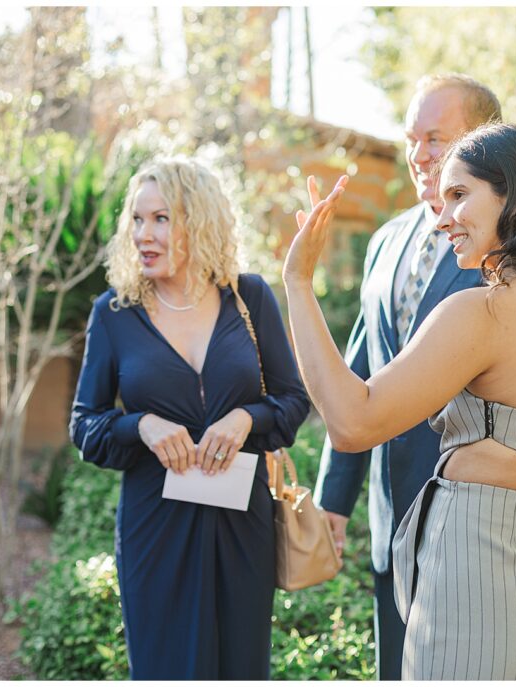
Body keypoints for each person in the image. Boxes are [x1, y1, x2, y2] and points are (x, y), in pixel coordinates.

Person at [283, 123, 516, 679]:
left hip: (477, 595)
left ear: (514, 194)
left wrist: (298, 282)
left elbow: (352, 422)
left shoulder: (481, 313)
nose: (442, 219)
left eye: (460, 195)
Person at [69, 157, 310, 680]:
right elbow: (84, 425)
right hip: (155, 532)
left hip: (242, 526)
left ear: (198, 222)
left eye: (161, 219)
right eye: (136, 219)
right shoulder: (114, 314)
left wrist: (247, 418)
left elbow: (294, 402)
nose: (143, 235)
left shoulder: (250, 298)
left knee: (240, 668)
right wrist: (141, 426)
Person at [312, 72, 502, 679]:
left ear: (484, 142)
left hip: (474, 526)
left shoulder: (512, 250)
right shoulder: (385, 242)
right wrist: (332, 503)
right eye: (411, 138)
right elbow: (359, 368)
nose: (418, 154)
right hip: (389, 519)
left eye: (436, 139)